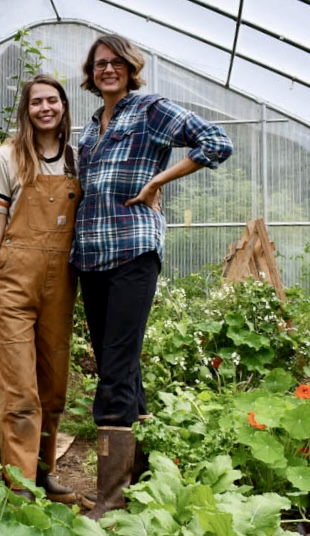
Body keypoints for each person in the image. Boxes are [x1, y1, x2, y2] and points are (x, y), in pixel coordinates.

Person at [71, 34, 233, 520]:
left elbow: (215, 143)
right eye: (99, 64)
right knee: (116, 361)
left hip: (133, 250)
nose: (107, 70)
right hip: (91, 256)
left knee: (115, 367)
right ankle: (139, 480)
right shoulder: (90, 127)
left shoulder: (149, 108)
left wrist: (158, 181)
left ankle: (111, 499)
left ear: (130, 66)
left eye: (115, 62)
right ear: (90, 72)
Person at [0, 74, 82, 503]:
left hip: (62, 282)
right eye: (36, 102)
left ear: (63, 107)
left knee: (53, 385)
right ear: (27, 110)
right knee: (20, 389)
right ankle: (18, 487)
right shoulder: (8, 156)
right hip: (15, 279)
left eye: (52, 100)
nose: (45, 108)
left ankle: (43, 475)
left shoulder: (77, 157)